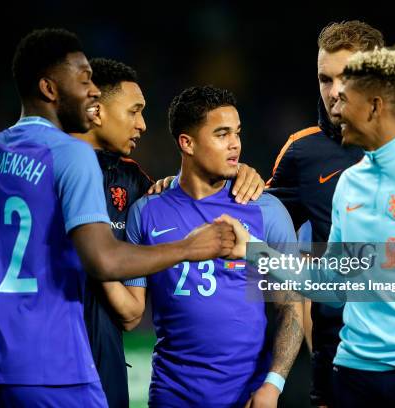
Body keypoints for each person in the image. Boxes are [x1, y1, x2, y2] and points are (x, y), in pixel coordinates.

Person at [0, 29, 235, 407]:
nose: (92, 92)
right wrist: (189, 247)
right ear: (49, 89)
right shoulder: (70, 155)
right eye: (83, 82)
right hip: (55, 371)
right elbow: (103, 260)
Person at [229, 47, 395, 408]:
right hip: (353, 374)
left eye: (345, 97)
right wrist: (253, 251)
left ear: (375, 106)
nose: (333, 105)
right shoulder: (351, 183)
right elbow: (330, 280)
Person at [71, 58, 265, 408]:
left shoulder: (136, 188)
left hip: (106, 364)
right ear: (97, 110)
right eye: (134, 111)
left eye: (236, 134)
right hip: (45, 357)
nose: (143, 124)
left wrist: (237, 170)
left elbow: (131, 315)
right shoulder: (42, 170)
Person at [125, 85, 305, 407]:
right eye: (222, 134)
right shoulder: (147, 211)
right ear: (187, 143)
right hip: (171, 396)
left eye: (237, 133)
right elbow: (131, 311)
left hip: (249, 398)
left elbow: (292, 303)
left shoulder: (264, 209)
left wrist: (273, 385)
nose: (235, 143)